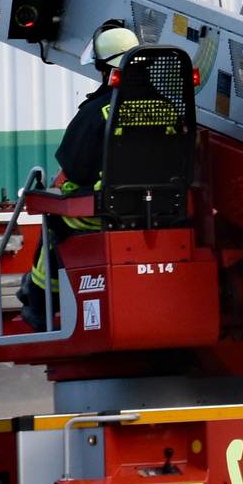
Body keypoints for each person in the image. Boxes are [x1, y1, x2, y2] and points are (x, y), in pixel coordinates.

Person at [19, 23, 142, 328]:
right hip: (160, 214)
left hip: (104, 214)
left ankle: (40, 302)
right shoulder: (168, 106)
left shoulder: (98, 112)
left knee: (54, 220)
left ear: (104, 67)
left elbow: (71, 171)